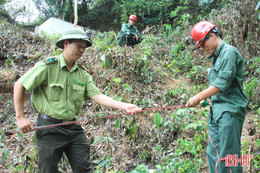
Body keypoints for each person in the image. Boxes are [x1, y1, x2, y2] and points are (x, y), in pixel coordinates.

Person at [13, 28, 141, 173]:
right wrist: (20, 117)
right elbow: (20, 85)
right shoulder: (48, 66)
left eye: (84, 48)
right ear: (66, 44)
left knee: (84, 168)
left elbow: (97, 96)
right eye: (79, 46)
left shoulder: (82, 74)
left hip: (72, 127)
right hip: (49, 128)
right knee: (48, 169)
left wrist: (125, 106)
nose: (81, 50)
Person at [186, 21, 248, 173]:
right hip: (216, 113)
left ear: (212, 36)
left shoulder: (229, 52)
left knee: (229, 155)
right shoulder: (216, 58)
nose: (202, 48)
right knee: (213, 153)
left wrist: (199, 96)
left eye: (203, 43)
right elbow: (216, 88)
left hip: (229, 111)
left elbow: (222, 83)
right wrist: (208, 98)